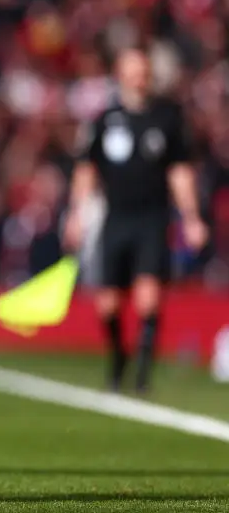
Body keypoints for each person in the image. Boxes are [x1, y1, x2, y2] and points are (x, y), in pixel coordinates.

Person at [64, 47, 208, 394]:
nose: (138, 79)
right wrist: (76, 214)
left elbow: (179, 173)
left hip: (152, 217)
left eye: (143, 72)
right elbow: (86, 169)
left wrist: (191, 217)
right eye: (132, 72)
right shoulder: (104, 120)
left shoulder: (166, 118)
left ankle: (142, 375)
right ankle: (119, 357)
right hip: (116, 217)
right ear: (120, 75)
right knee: (108, 304)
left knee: (148, 299)